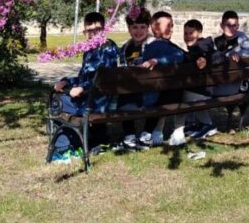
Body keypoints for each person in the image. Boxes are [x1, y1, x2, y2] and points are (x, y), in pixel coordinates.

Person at [48, 12, 120, 162]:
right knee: (61, 96)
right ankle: (91, 141)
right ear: (84, 32)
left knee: (59, 103)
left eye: (97, 30)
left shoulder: (108, 48)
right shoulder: (89, 50)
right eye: (89, 30)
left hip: (101, 100)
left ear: (104, 30)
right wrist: (66, 81)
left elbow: (103, 77)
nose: (93, 34)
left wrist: (83, 88)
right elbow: (83, 77)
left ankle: (64, 149)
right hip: (92, 97)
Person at [132, 11, 186, 146]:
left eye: (171, 26)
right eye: (167, 26)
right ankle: (173, 131)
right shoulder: (163, 46)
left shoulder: (152, 46)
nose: (171, 29)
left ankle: (151, 132)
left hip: (149, 97)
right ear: (155, 27)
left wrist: (155, 60)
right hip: (160, 97)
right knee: (179, 90)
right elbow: (181, 55)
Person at [180, 18, 217, 139]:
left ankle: (207, 125)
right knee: (186, 91)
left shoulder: (200, 49)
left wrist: (206, 60)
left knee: (180, 95)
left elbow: (214, 57)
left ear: (200, 33)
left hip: (203, 91)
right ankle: (193, 123)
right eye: (185, 33)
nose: (188, 36)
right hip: (204, 89)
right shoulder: (205, 46)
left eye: (191, 33)